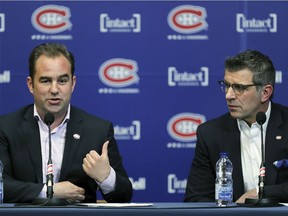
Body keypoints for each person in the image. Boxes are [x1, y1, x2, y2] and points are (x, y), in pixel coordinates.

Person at [0, 43, 133, 204]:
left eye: (62, 80)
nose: (54, 89)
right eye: (46, 81)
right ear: (31, 85)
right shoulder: (6, 128)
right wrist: (50, 191)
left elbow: (124, 196)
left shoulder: (98, 130)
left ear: (73, 83)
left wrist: (106, 177)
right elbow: (2, 186)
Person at [184, 50, 288, 203]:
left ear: (265, 92)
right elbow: (196, 198)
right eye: (226, 85)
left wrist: (260, 193)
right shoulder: (210, 134)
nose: (229, 95)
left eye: (240, 88)